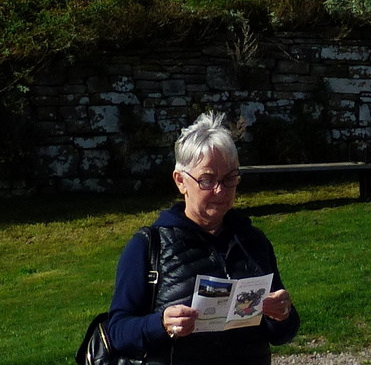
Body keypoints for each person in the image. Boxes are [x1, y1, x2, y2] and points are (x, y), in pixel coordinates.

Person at [105, 112, 300, 363]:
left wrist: (282, 314)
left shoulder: (252, 241)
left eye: (230, 178)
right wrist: (161, 324)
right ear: (181, 181)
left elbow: (282, 333)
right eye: (207, 180)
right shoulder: (149, 246)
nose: (220, 190)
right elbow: (117, 331)